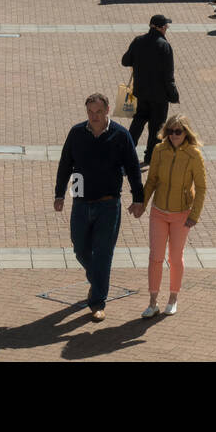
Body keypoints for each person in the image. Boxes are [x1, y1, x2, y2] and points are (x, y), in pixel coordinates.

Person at [53, 93, 145, 322]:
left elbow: (133, 168)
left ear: (106, 111)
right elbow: (65, 163)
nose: (94, 117)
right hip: (81, 200)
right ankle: (97, 280)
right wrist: (59, 193)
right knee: (80, 248)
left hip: (108, 203)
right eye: (90, 112)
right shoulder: (76, 133)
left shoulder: (121, 135)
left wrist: (138, 198)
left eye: (98, 112)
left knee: (103, 254)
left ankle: (98, 302)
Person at [141, 114, 206, 318]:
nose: (174, 135)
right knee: (155, 257)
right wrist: (141, 204)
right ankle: (153, 302)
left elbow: (202, 187)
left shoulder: (194, 155)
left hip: (182, 215)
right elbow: (151, 180)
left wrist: (194, 215)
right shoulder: (159, 151)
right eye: (170, 131)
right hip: (158, 212)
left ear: (186, 132)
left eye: (178, 131)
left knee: (175, 258)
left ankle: (173, 298)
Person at [121, 14, 179, 166]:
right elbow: (168, 75)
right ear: (160, 28)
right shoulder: (164, 46)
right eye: (166, 26)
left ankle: (126, 153)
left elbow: (125, 61)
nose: (167, 29)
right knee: (156, 127)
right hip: (159, 97)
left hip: (140, 93)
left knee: (138, 122)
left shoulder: (138, 41)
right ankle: (150, 157)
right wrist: (173, 94)